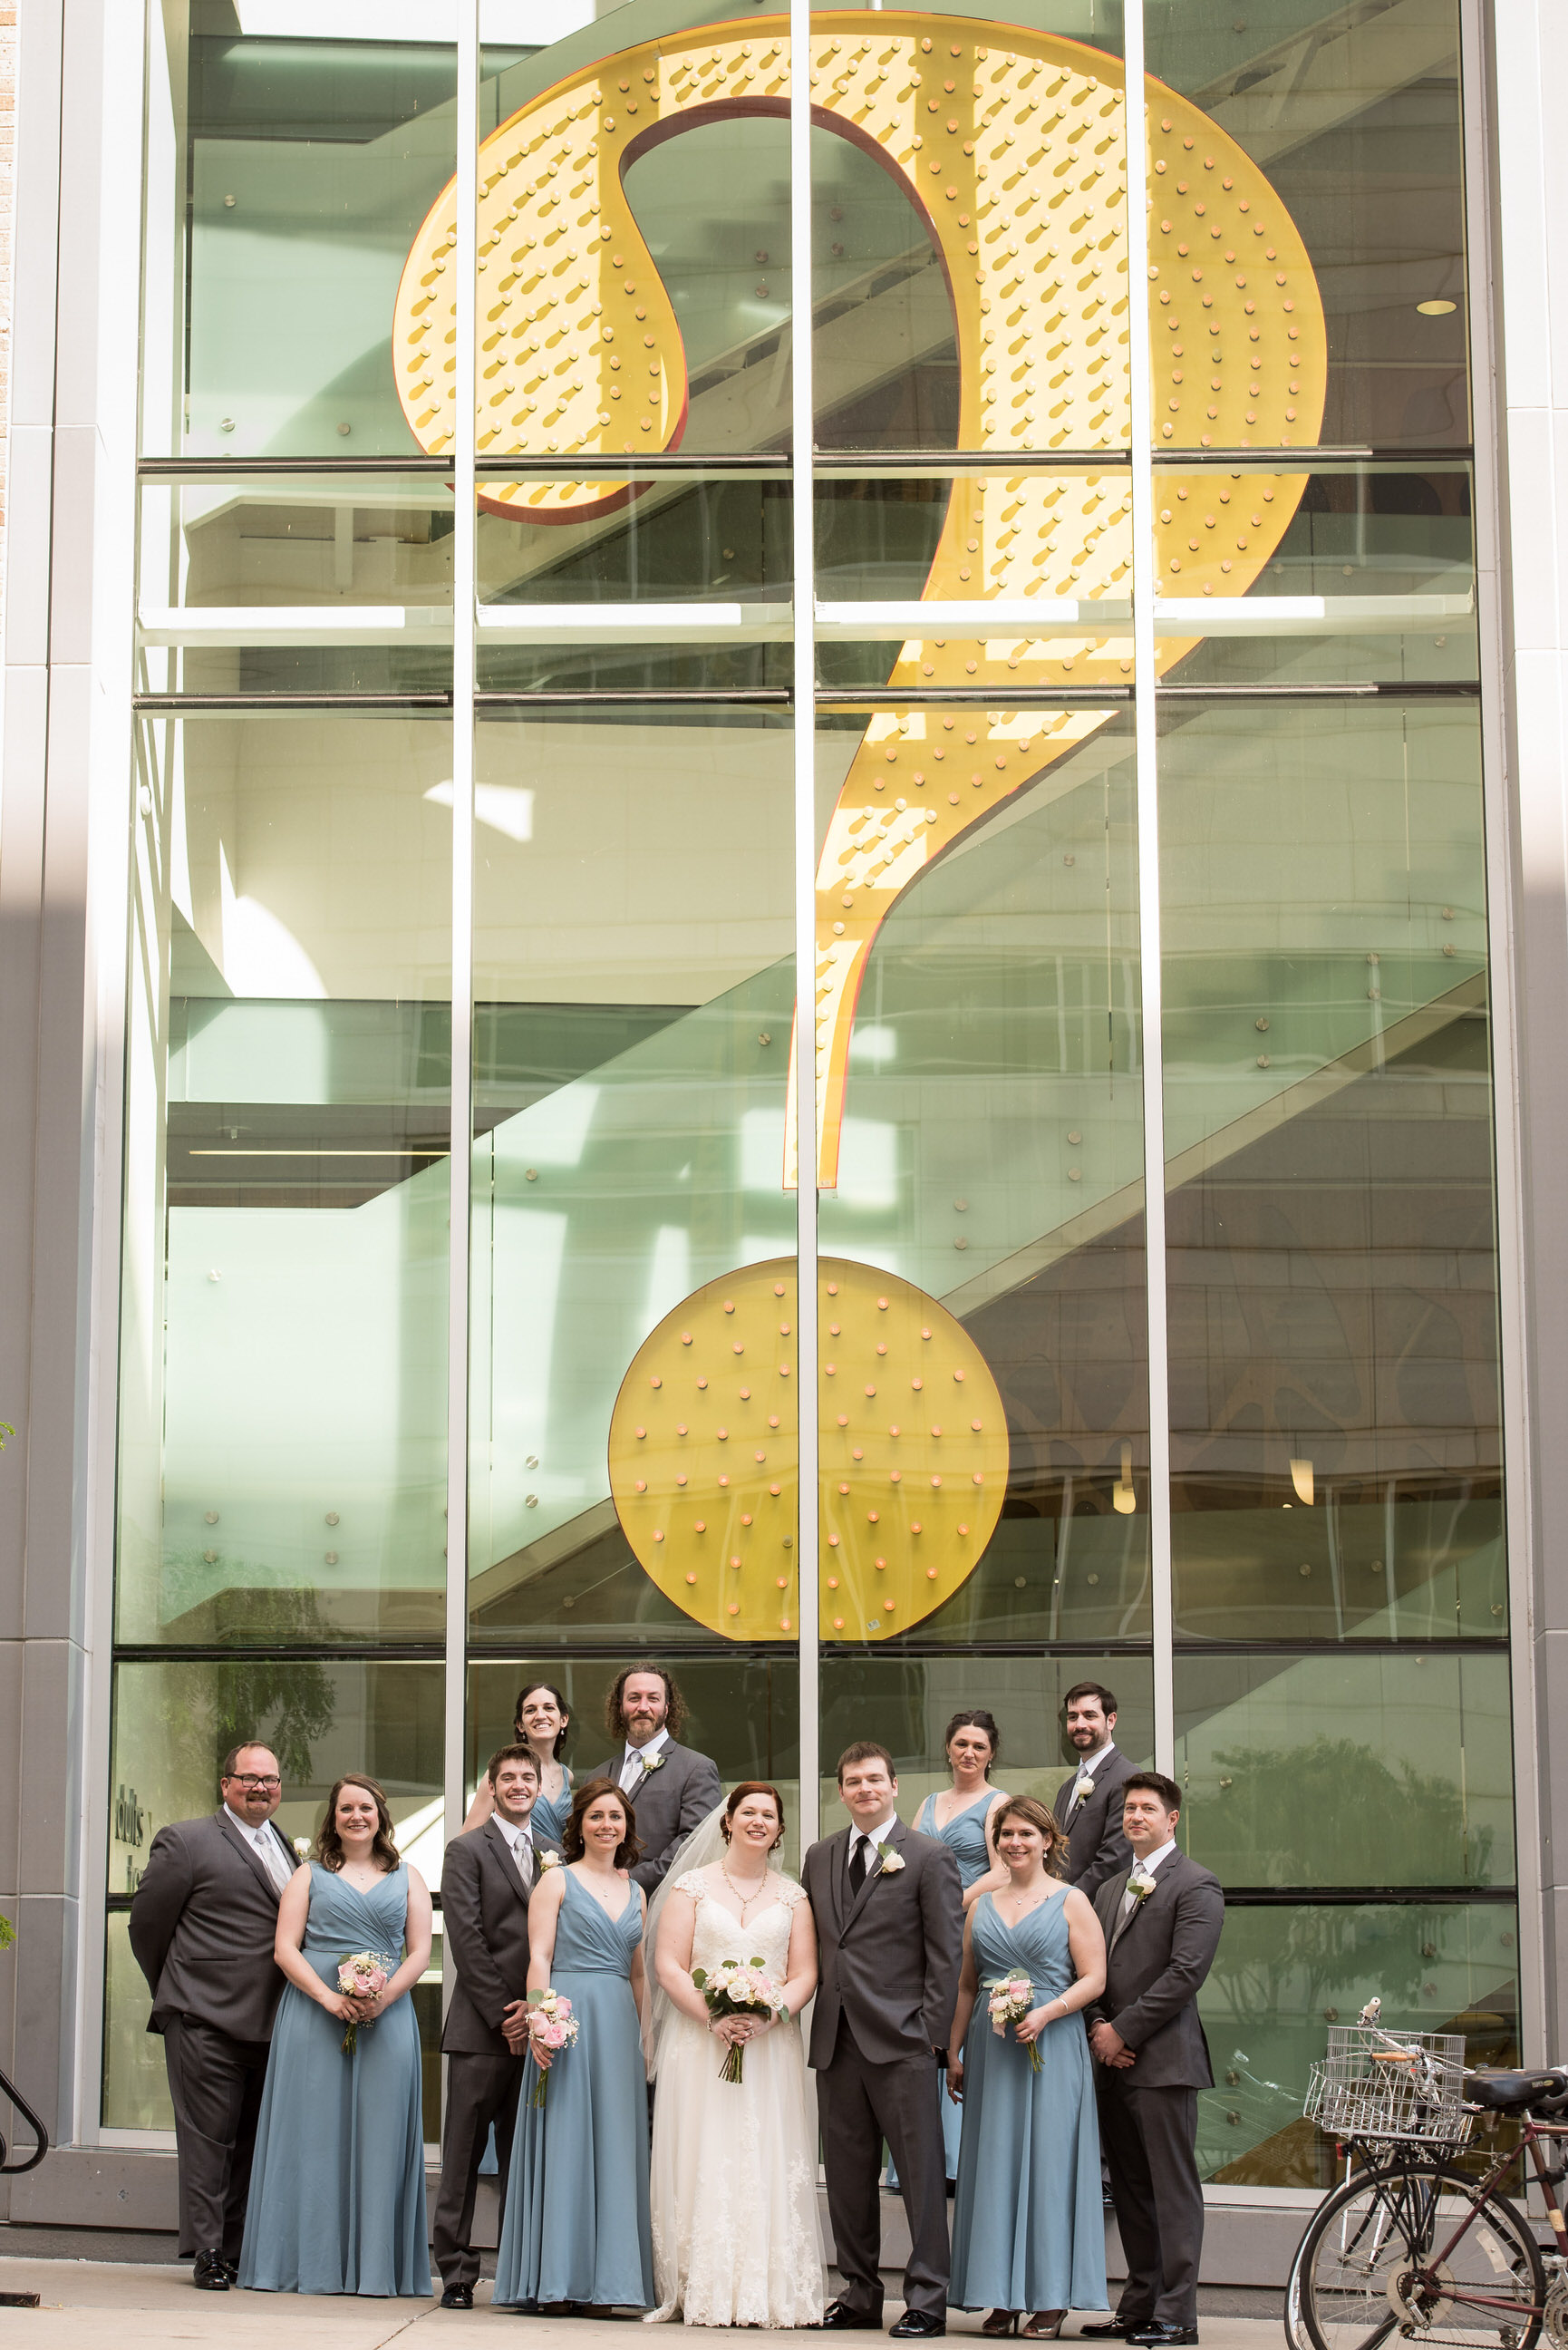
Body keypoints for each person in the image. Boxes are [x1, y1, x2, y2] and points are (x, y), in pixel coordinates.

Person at [238, 1774, 433, 2297]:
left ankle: (376, 2269)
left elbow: (420, 1952)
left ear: (380, 1815)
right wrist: (328, 1998)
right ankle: (307, 2264)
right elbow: (285, 1948)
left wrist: (383, 1997)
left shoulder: (409, 1876)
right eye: (346, 1807)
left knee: (382, 2136)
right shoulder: (308, 1875)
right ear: (333, 1816)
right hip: (313, 2018)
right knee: (313, 2136)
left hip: (387, 2019)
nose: (356, 1816)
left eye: (365, 1807)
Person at [644, 1782, 827, 2328]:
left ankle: (765, 2285)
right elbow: (669, 1966)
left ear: (779, 1829)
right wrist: (714, 2018)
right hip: (699, 2044)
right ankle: (699, 2280)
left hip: (769, 2050)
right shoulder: (691, 1887)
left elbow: (805, 1973)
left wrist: (768, 2019)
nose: (758, 1821)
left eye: (768, 1815)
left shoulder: (793, 1896)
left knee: (763, 2153)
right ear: (727, 1821)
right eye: (748, 1812)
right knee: (704, 2148)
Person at [802, 1741, 963, 2341]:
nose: (864, 1788)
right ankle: (860, 2292)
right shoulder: (819, 1857)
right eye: (852, 1781)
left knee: (921, 2178)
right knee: (846, 2178)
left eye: (875, 1778)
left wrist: (931, 2038)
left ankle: (927, 2298)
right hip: (836, 2042)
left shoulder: (929, 1856)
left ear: (895, 1786)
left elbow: (946, 1956)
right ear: (841, 1791)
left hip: (904, 2044)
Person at [127, 1741, 299, 2290]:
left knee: (251, 2140)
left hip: (272, 2021)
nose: (260, 1788)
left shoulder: (285, 1847)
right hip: (203, 2017)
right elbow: (146, 1927)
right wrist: (176, 1991)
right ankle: (206, 2250)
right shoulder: (186, 1841)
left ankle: (237, 2245)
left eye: (269, 1780)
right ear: (225, 1785)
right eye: (248, 1778)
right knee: (207, 2140)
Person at [947, 1795, 1109, 2338]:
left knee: (1049, 2164)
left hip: (1053, 2046)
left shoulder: (1071, 1901)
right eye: (1006, 1835)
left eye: (1026, 1834)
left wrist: (1046, 2012)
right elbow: (969, 1984)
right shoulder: (980, 1906)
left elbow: (1094, 1979)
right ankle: (999, 2292)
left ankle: (1049, 2297)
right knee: (994, 2164)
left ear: (1048, 1841)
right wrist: (953, 2052)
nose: (1015, 1843)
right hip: (992, 2049)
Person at [492, 1778, 655, 2315]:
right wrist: (540, 2019)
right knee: (564, 2142)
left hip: (617, 2029)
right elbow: (538, 1956)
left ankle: (607, 2285)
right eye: (595, 1816)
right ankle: (556, 2279)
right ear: (578, 1824)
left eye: (615, 1816)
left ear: (627, 1826)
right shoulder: (556, 1881)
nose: (606, 1825)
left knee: (613, 2146)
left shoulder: (638, 1893)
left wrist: (646, 2037)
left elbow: (638, 1975)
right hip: (568, 2019)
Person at [1081, 1773, 1224, 2350]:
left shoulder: (1197, 1885)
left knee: (1172, 2189)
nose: (1136, 1816)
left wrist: (1123, 2029)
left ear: (1173, 1819)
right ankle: (1139, 2304)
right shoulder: (1109, 1889)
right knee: (1132, 2189)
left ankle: (1178, 2314)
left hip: (1163, 2062)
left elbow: (1185, 1973)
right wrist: (1097, 2028)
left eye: (1148, 1808)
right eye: (1131, 1808)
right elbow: (1088, 1967)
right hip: (1110, 2060)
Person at [434, 1745, 563, 2312]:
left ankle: (518, 2271)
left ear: (539, 1785)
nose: (517, 1785)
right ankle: (457, 2272)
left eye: (526, 1777)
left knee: (524, 2157)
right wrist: (504, 2014)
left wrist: (539, 2015)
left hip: (539, 2031)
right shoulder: (465, 1850)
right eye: (506, 1777)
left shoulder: (552, 1853)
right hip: (482, 2029)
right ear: (490, 1786)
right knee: (462, 2156)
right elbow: (465, 1938)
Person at [909, 1710, 1011, 2185]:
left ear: (991, 1755)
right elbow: (907, 1858)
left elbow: (1003, 1869)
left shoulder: (997, 1804)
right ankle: (922, 2156)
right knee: (926, 2022)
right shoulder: (929, 1801)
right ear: (948, 1748)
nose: (968, 1753)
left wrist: (955, 1901)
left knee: (957, 2021)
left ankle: (957, 2160)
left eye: (979, 1746)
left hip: (969, 1924)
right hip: (923, 1929)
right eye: (961, 1744)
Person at [581, 1666, 721, 1892]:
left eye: (653, 1699)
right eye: (634, 1698)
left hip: (663, 1903)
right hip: (596, 1900)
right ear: (620, 1707)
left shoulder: (696, 1768)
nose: (643, 1707)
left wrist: (633, 1878)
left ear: (667, 1708)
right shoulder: (595, 1776)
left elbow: (696, 1842)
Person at [462, 1682, 575, 1843]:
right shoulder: (500, 1774)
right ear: (520, 1724)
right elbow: (468, 1834)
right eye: (531, 1710)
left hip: (557, 1866)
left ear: (563, 1719)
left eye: (548, 1708)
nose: (540, 1715)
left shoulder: (567, 1776)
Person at [1052, 1683, 1137, 1897]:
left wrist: (1069, 1900)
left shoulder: (1127, 1779)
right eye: (1072, 1717)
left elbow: (1115, 1858)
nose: (1079, 1724)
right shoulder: (1066, 1788)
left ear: (1111, 1720)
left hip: (1095, 1912)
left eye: (1089, 1716)